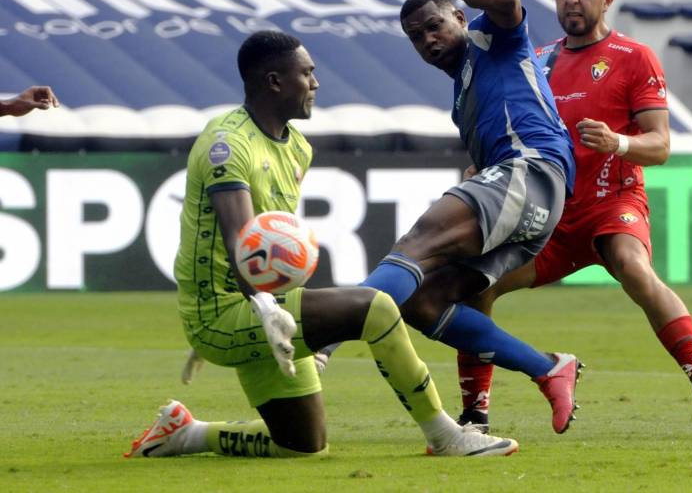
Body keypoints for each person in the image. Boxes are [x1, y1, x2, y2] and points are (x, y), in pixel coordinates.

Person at [125, 31, 518, 459]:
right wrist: (256, 310)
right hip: (233, 311)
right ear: (275, 81)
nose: (316, 83)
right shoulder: (228, 146)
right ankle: (445, 435)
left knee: (302, 446)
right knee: (375, 306)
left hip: (265, 308)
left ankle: (185, 433)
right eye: (307, 73)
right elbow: (246, 252)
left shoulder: (297, 147)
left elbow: (270, 242)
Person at [454, 0, 692, 432]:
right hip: (550, 216)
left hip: (613, 203)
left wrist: (618, 141)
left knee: (631, 265)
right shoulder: (536, 62)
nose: (571, 1)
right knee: (476, 285)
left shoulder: (634, 58)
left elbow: (660, 144)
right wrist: (479, 169)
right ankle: (475, 412)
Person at [322, 0, 582, 436]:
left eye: (434, 26)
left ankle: (326, 337)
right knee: (423, 303)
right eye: (417, 37)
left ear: (460, 18)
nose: (428, 41)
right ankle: (547, 367)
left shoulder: (492, 38)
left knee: (417, 241)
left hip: (531, 173)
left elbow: (508, 1)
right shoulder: (462, 97)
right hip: (532, 204)